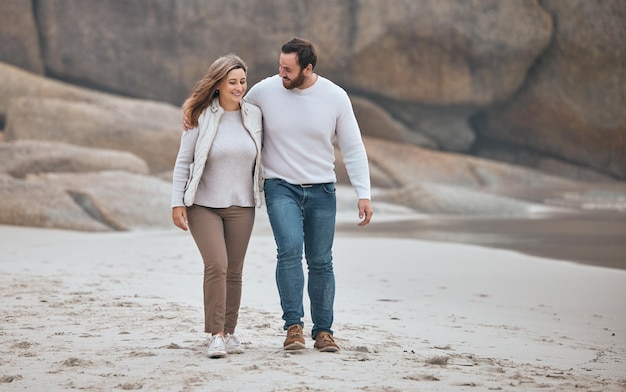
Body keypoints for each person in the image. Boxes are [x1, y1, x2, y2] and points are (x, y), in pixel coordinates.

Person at [244, 37, 373, 352]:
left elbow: (353, 147)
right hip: (280, 186)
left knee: (320, 261)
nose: (281, 73)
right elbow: (234, 114)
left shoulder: (335, 97)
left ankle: (324, 331)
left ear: (308, 68)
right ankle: (293, 327)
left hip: (322, 189)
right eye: (280, 66)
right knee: (289, 252)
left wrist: (364, 193)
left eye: (288, 69)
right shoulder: (264, 91)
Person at [171, 54, 263, 358]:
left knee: (234, 271)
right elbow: (183, 162)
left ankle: (231, 332)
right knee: (217, 266)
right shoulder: (199, 116)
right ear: (218, 85)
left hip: (243, 204)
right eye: (232, 82)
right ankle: (216, 335)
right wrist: (177, 203)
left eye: (242, 82)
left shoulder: (255, 115)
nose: (239, 87)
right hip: (203, 205)